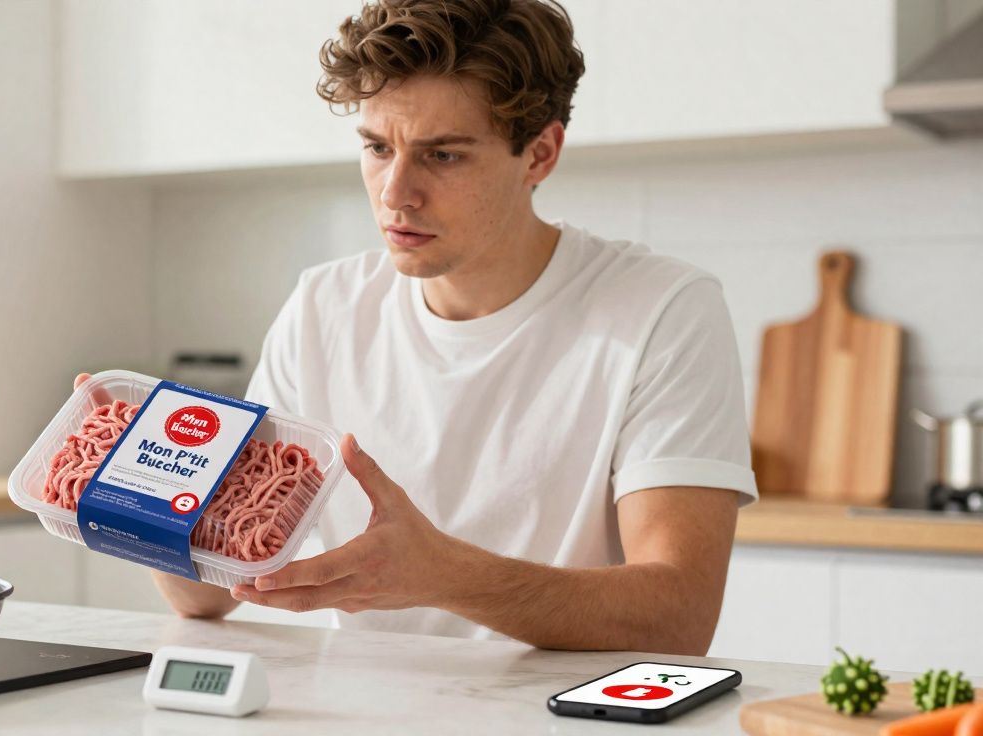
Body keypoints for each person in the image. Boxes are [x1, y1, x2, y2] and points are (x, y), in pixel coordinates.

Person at [77, 0, 756, 655]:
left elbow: (679, 617)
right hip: (364, 707)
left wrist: (445, 577)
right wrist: (137, 488)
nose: (395, 192)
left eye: (443, 155)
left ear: (541, 154)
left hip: (567, 712)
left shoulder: (661, 309)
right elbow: (206, 596)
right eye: (377, 147)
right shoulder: (323, 308)